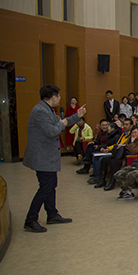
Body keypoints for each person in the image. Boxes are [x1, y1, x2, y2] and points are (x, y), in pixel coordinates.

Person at [23, 84, 86, 232]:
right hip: (42, 157)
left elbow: (62, 122)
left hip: (47, 157)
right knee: (46, 187)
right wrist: (62, 123)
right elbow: (51, 131)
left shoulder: (47, 109)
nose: (60, 98)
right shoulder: (40, 111)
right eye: (59, 96)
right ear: (53, 97)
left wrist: (77, 115)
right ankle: (30, 219)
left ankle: (52, 214)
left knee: (51, 185)